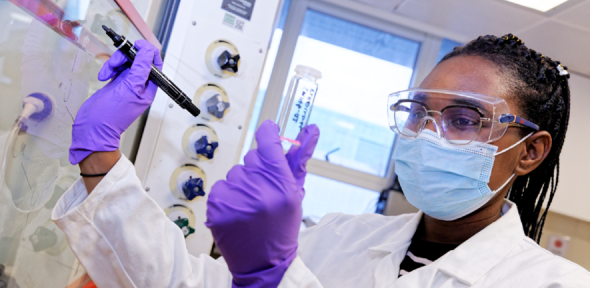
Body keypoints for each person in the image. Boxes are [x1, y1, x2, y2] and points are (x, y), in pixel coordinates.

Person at [51, 35, 590, 287]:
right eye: (419, 113)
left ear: (530, 151)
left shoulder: (554, 285)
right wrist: (99, 153)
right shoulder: (337, 235)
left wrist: (276, 275)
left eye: (465, 119)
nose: (429, 134)